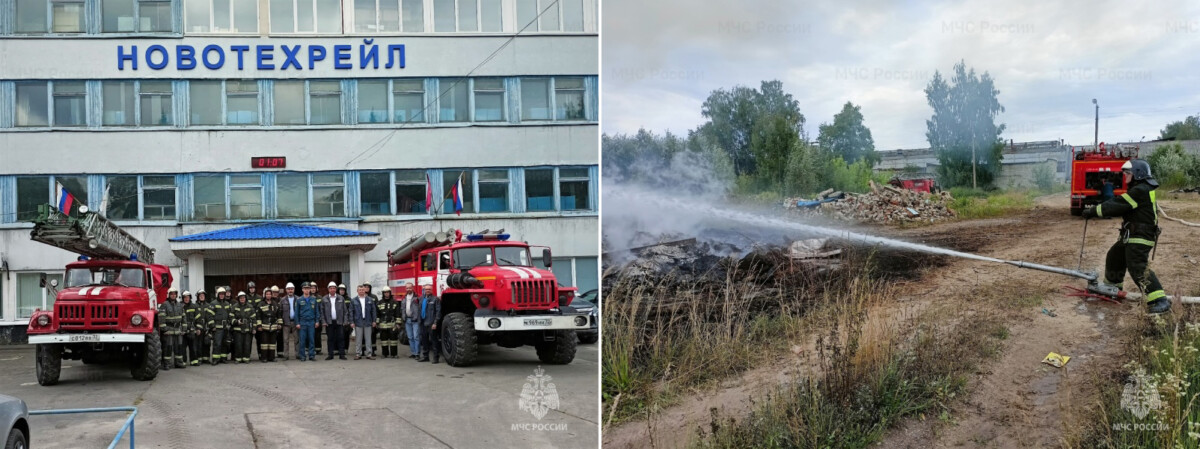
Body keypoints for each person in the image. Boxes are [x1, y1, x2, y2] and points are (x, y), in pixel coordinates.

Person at [1083, 159, 1170, 314]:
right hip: (1132, 234)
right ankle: (1113, 289)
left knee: (1137, 265)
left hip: (1141, 236)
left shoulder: (1140, 190)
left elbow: (1117, 204)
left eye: (1128, 173)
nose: (1125, 176)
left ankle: (1159, 300)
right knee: (1114, 256)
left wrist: (1093, 211)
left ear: (1137, 174)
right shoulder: (1140, 189)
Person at [158, 288, 186, 370]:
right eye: (171, 294)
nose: (173, 295)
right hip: (169, 330)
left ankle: (179, 363)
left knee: (179, 347)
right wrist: (164, 329)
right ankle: (167, 364)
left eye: (174, 294)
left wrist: (184, 329)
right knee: (168, 347)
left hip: (178, 329)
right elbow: (161, 318)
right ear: (169, 295)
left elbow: (184, 318)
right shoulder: (164, 305)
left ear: (176, 295)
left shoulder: (180, 305)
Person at [321, 281, 349, 360]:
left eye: (334, 288)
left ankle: (342, 354)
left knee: (341, 338)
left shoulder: (341, 298)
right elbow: (322, 312)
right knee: (330, 339)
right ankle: (330, 354)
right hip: (329, 322)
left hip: (339, 322)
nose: (332, 289)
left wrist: (345, 321)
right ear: (328, 289)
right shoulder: (324, 299)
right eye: (331, 288)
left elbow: (345, 311)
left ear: (336, 289)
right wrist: (324, 321)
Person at [350, 284, 377, 360]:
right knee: (358, 339)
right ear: (357, 291)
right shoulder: (354, 300)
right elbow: (351, 312)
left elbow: (373, 311)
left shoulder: (369, 300)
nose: (361, 291)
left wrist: (374, 321)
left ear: (364, 290)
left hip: (368, 322)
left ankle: (369, 354)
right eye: (360, 290)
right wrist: (352, 322)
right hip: (358, 322)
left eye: (362, 290)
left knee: (368, 339)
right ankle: (358, 354)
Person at [256, 287, 282, 362]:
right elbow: (258, 316)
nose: (268, 295)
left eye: (270, 294)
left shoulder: (275, 304)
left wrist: (280, 324)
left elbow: (279, 315)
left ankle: (271, 357)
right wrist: (259, 326)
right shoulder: (260, 304)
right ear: (264, 295)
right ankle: (264, 358)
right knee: (264, 344)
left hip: (273, 327)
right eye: (267, 294)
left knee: (272, 344)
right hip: (264, 328)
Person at [295, 283, 320, 361]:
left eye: (308, 288)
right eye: (305, 288)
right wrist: (297, 323)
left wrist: (317, 321)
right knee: (302, 340)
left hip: (311, 322)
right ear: (302, 289)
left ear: (310, 290)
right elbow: (296, 313)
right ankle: (302, 356)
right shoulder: (299, 300)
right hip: (302, 323)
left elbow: (317, 312)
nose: (307, 290)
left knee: (311, 339)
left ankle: (311, 355)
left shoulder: (314, 299)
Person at [231, 292, 256, 363]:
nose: (242, 299)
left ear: (245, 298)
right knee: (238, 344)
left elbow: (254, 318)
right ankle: (238, 359)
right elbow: (231, 317)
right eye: (240, 298)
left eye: (243, 298)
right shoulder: (234, 307)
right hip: (237, 330)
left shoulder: (250, 307)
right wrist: (236, 321)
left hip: (248, 330)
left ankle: (246, 358)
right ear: (238, 299)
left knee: (247, 344)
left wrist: (254, 328)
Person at [210, 287, 233, 365]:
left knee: (224, 343)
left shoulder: (227, 304)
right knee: (217, 343)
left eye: (223, 294)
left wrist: (229, 323)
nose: (222, 296)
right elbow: (210, 316)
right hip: (217, 328)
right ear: (218, 295)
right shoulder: (213, 303)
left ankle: (223, 358)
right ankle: (215, 359)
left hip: (225, 327)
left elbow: (230, 315)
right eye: (220, 294)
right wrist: (212, 326)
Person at [419, 289, 442, 363]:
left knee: (434, 340)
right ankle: (425, 357)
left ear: (432, 290)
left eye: (429, 289)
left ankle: (436, 358)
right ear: (424, 290)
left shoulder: (435, 299)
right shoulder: (421, 298)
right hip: (423, 322)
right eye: (426, 289)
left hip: (431, 323)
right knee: (424, 340)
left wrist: (435, 323)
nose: (427, 290)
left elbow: (438, 312)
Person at [376, 289, 399, 358]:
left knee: (393, 341)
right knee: (384, 341)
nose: (386, 294)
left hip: (393, 325)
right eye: (385, 292)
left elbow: (397, 314)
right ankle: (384, 354)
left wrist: (398, 323)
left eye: (388, 292)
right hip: (383, 325)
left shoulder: (395, 302)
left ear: (390, 293)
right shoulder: (379, 303)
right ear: (383, 293)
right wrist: (377, 323)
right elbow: (378, 314)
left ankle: (394, 354)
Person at [193, 290, 213, 366]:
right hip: (199, 328)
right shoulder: (195, 306)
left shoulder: (208, 306)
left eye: (203, 296)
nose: (202, 297)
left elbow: (211, 316)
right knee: (199, 344)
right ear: (198, 297)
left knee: (207, 343)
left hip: (207, 327)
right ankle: (199, 358)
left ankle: (206, 359)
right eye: (200, 296)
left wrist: (211, 327)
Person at [279, 282, 298, 361]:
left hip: (296, 322)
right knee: (285, 340)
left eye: (292, 289)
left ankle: (298, 354)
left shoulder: (298, 299)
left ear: (294, 290)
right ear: (286, 290)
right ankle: (286, 355)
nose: (290, 290)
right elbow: (280, 312)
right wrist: (281, 322)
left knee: (297, 339)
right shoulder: (282, 300)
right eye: (289, 289)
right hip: (286, 323)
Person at [402, 283, 421, 360]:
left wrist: (417, 317)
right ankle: (413, 353)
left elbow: (420, 308)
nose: (408, 289)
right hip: (407, 320)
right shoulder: (404, 298)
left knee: (416, 337)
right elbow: (402, 308)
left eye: (410, 288)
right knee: (410, 337)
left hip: (415, 320)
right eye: (407, 288)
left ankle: (417, 353)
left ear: (412, 288)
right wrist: (403, 317)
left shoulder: (417, 297)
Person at [246, 281, 264, 361]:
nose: (252, 289)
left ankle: (260, 355)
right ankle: (248, 356)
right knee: (248, 341)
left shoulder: (259, 297)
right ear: (248, 289)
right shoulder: (245, 297)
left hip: (257, 321)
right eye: (250, 288)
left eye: (253, 288)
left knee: (260, 340)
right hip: (249, 322)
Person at [181, 291, 197, 366]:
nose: (186, 299)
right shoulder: (180, 306)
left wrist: (198, 328)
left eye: (188, 297)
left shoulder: (194, 306)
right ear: (183, 298)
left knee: (193, 347)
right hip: (183, 331)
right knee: (183, 348)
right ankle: (183, 362)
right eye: (185, 297)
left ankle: (193, 361)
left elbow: (198, 318)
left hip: (191, 330)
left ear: (190, 298)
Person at [309, 283, 324, 356]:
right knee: (310, 335)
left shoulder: (320, 298)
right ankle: (310, 349)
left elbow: (322, 309)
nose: (313, 289)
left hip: (318, 319)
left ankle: (318, 349)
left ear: (316, 289)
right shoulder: (307, 297)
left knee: (318, 335)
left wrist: (321, 318)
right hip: (310, 319)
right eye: (311, 288)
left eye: (314, 288)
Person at [338, 284, 352, 353]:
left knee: (346, 336)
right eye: (340, 290)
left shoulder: (349, 299)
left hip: (347, 321)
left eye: (343, 290)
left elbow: (350, 310)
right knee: (339, 336)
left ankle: (345, 349)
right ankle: (339, 349)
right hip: (338, 321)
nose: (342, 291)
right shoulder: (336, 298)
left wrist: (349, 321)